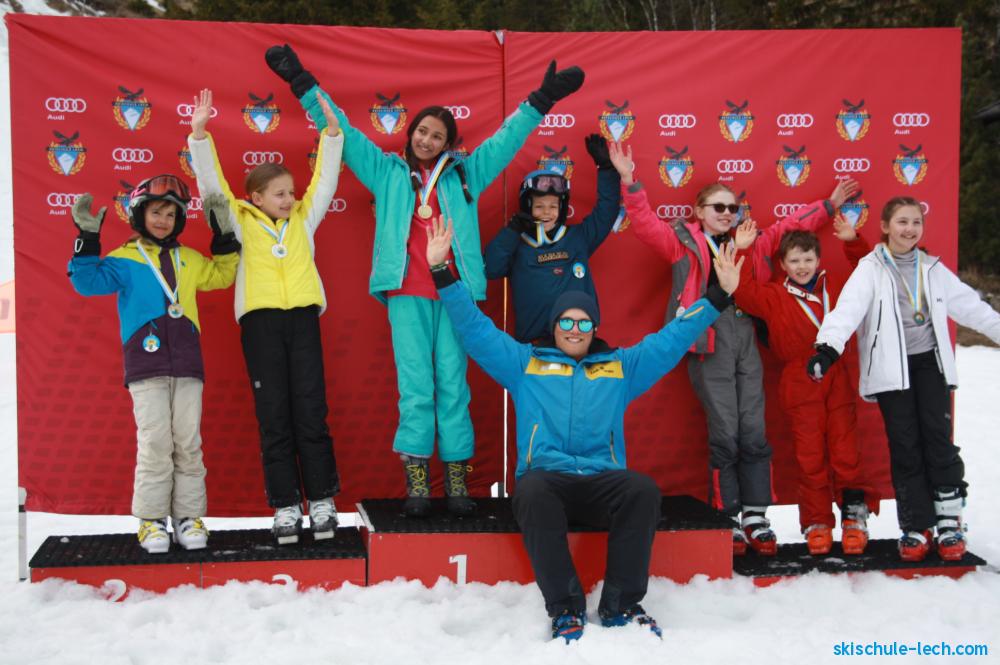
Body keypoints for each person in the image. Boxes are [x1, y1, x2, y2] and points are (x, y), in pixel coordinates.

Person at [265, 44, 585, 517]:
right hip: (406, 295)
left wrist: (542, 99)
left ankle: (457, 482)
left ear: (449, 144)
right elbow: (342, 130)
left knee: (454, 386)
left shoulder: (466, 174)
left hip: (455, 295)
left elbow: (506, 139)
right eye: (422, 131)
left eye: (437, 136)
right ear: (410, 133)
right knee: (416, 388)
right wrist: (302, 83)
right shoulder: (386, 172)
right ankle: (417, 484)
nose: (427, 140)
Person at [425, 213, 743, 641]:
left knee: (642, 490)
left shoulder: (620, 367)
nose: (574, 330)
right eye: (566, 322)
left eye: (583, 323)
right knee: (532, 491)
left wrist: (718, 296)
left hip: (600, 481)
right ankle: (565, 609)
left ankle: (620, 604)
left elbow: (671, 339)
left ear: (594, 328)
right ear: (554, 327)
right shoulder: (525, 364)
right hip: (547, 481)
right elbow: (475, 328)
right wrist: (441, 271)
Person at [612, 140, 859, 555]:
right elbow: (644, 224)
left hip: (746, 338)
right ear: (699, 211)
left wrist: (829, 205)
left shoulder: (752, 242)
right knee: (726, 430)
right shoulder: (683, 243)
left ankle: (756, 517)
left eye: (733, 208)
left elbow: (788, 227)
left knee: (754, 428)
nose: (727, 214)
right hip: (708, 341)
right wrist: (628, 179)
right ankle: (728, 516)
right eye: (719, 207)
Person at [186, 88, 345, 545]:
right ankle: (286, 506)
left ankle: (322, 501)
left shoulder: (303, 221)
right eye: (280, 193)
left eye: (291, 192)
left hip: (302, 320)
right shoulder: (239, 221)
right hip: (260, 325)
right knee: (274, 416)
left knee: (311, 412)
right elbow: (212, 187)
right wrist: (199, 136)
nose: (290, 199)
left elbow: (325, 182)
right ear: (255, 197)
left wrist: (332, 134)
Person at [808, 196, 1000, 562]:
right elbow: (847, 311)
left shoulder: (932, 269)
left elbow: (972, 309)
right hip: (890, 371)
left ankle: (949, 522)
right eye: (902, 222)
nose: (909, 229)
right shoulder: (870, 268)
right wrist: (827, 348)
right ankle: (916, 526)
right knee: (906, 446)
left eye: (915, 222)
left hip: (930, 365)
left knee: (938, 441)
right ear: (885, 227)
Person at [67, 176, 240, 553]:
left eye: (170, 214)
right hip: (145, 366)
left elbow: (223, 275)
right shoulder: (125, 258)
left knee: (188, 443)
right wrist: (88, 238)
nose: (163, 220)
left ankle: (188, 517)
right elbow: (87, 282)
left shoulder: (188, 258)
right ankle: (152, 520)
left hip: (188, 365)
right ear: (139, 215)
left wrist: (225, 235)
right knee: (156, 443)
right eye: (156, 212)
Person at [731, 216, 879, 555]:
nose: (802, 267)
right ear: (782, 265)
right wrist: (743, 250)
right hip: (798, 379)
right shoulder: (775, 294)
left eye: (808, 259)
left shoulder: (835, 287)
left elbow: (869, 276)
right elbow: (743, 291)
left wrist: (852, 241)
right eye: (794, 260)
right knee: (809, 454)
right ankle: (817, 522)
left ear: (818, 260)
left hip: (837, 373)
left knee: (846, 450)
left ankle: (854, 518)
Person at [483, 134, 622, 343]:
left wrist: (607, 169)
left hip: (577, 338)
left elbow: (607, 211)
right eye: (539, 206)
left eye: (553, 206)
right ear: (527, 207)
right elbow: (491, 269)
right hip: (535, 343)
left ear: (562, 208)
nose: (547, 212)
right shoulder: (518, 244)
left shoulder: (579, 238)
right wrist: (512, 231)